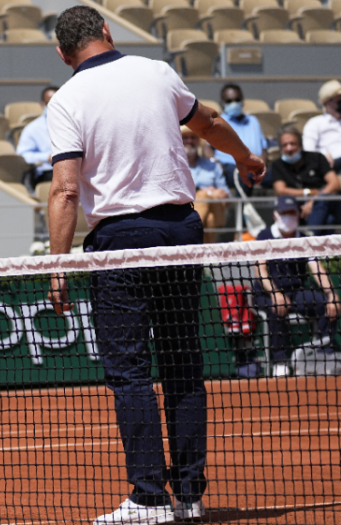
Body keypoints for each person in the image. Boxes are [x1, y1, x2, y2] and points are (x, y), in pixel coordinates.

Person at [44, 6, 266, 525]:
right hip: (181, 232)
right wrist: (244, 158)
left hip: (121, 240)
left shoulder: (67, 99)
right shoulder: (157, 70)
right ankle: (189, 495)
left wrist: (57, 268)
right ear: (107, 32)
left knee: (130, 373)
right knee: (184, 363)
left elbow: (66, 188)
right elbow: (208, 123)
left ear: (61, 53)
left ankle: (148, 498)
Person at [254, 196, 338, 377]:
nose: (288, 216)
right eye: (284, 213)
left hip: (296, 291)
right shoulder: (264, 236)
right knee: (276, 307)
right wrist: (275, 294)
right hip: (267, 293)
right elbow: (260, 270)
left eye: (292, 212)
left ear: (299, 214)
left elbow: (317, 269)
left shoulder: (305, 239)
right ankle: (280, 359)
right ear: (275, 215)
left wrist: (332, 294)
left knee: (327, 304)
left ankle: (324, 353)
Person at [271, 125, 341, 235]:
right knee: (329, 220)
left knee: (326, 208)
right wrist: (308, 192)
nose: (289, 148)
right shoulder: (277, 165)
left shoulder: (317, 158)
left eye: (292, 144)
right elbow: (281, 191)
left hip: (324, 206)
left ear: (300, 144)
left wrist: (314, 202)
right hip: (295, 210)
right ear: (280, 148)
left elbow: (335, 184)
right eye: (285, 145)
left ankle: (310, 239)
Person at [212, 83, 269, 195]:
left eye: (237, 100)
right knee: (244, 176)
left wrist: (262, 164)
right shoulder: (218, 122)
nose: (234, 103)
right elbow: (206, 147)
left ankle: (287, 210)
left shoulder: (253, 121)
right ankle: (244, 212)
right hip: (230, 168)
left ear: (243, 101)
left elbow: (264, 148)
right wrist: (216, 163)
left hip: (255, 166)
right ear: (222, 104)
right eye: (229, 101)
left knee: (280, 176)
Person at [182, 126, 230, 243]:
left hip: (214, 210)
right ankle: (210, 257)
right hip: (184, 210)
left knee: (204, 197)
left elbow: (227, 195)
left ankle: (189, 234)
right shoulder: (173, 165)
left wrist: (217, 194)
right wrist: (207, 192)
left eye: (193, 137)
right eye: (185, 138)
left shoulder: (213, 166)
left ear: (198, 141)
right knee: (209, 219)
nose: (190, 141)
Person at [16, 85, 60, 191]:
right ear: (42, 104)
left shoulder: (75, 124)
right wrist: (46, 157)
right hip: (48, 172)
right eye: (49, 102)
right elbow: (23, 155)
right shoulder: (32, 128)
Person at [303, 79, 341, 173]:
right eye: (339, 100)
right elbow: (308, 150)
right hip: (330, 164)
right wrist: (323, 155)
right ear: (328, 102)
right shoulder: (315, 123)